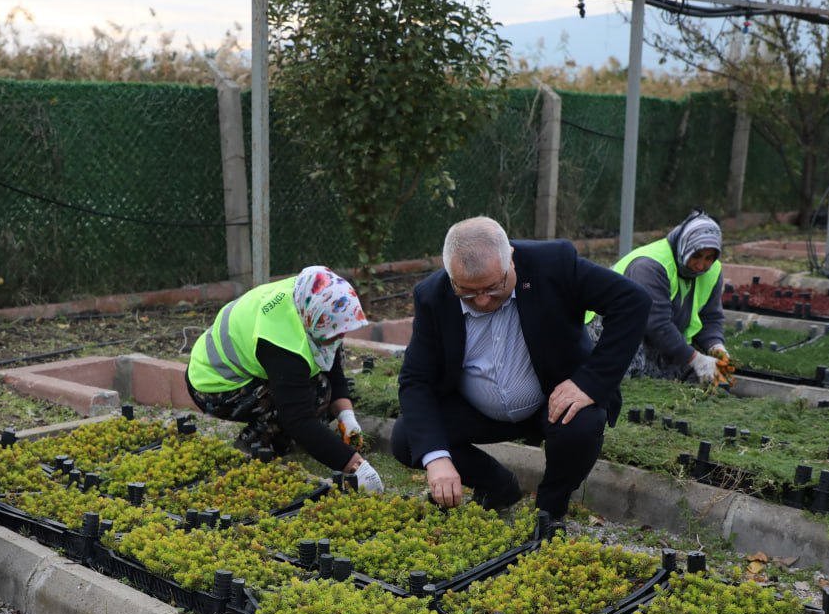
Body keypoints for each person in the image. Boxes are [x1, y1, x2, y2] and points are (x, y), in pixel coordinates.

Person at [391, 216, 651, 519]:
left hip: (549, 403)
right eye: (467, 292)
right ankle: (498, 485)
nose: (482, 300)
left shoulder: (553, 265)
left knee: (582, 423)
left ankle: (550, 510)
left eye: (493, 287)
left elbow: (632, 301)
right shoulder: (432, 296)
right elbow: (416, 379)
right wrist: (437, 459)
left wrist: (591, 381)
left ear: (511, 259)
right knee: (410, 438)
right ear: (451, 276)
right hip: (476, 411)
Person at [185, 266, 385, 492]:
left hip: (242, 369)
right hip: (214, 386)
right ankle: (256, 442)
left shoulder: (310, 296)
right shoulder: (282, 340)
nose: (340, 336)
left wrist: (346, 416)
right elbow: (298, 419)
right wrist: (356, 467)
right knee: (308, 402)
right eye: (334, 332)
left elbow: (333, 366)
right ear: (316, 319)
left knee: (322, 392)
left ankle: (286, 437)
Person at [589, 210, 728, 383]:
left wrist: (717, 348)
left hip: (657, 334)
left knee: (700, 375)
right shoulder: (649, 266)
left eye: (709, 258)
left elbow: (710, 318)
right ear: (685, 246)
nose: (701, 265)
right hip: (610, 329)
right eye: (696, 256)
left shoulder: (712, 271)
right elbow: (657, 325)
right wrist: (696, 359)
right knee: (627, 381)